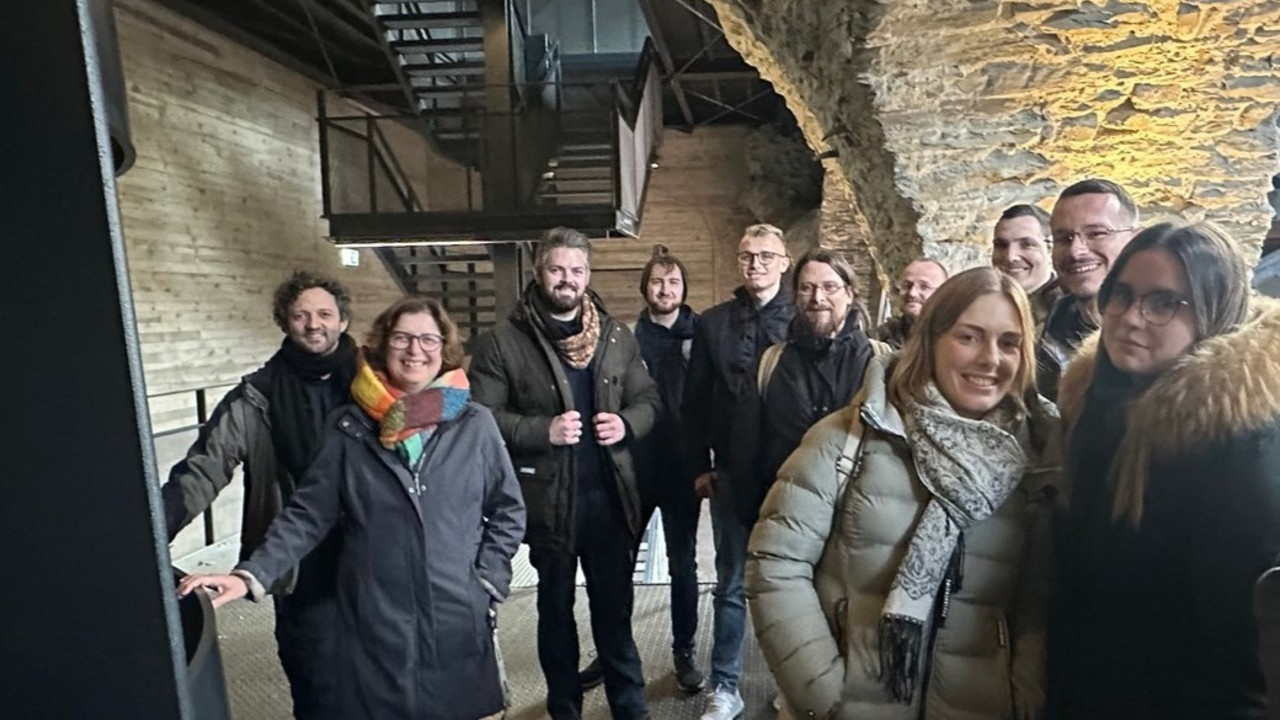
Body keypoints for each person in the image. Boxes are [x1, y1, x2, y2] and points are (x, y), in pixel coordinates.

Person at [177, 296, 526, 720]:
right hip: (376, 622)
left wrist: (488, 577)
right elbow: (307, 514)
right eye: (402, 337)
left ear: (445, 349)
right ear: (383, 345)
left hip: (457, 615)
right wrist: (252, 574)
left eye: (428, 339)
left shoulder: (475, 425)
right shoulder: (348, 428)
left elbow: (509, 510)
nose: (415, 350)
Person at [747, 267, 1059, 720]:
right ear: (931, 340)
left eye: (1008, 342)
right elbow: (776, 564)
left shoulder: (1034, 458)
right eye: (969, 337)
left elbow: (1035, 598)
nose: (991, 358)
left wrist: (1020, 693)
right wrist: (827, 697)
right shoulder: (851, 437)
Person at [1049, 222, 1280, 719]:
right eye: (1122, 296)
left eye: (1162, 303)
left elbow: (1241, 655)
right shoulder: (1098, 403)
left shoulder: (1241, 445)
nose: (1131, 318)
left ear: (1212, 311)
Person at [469, 227, 658, 720]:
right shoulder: (502, 343)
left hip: (610, 502)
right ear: (539, 272)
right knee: (555, 617)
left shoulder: (615, 336)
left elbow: (648, 400)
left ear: (587, 275)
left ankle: (630, 708)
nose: (566, 280)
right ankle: (564, 708)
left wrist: (627, 423)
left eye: (576, 270)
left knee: (614, 619)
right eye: (557, 269)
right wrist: (541, 429)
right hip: (549, 504)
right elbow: (481, 416)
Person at [161, 270, 357, 719]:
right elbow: (203, 469)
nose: (314, 324)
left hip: (373, 560)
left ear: (342, 321)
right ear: (285, 323)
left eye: (325, 314)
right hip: (297, 564)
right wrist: (152, 531)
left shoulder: (375, 385)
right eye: (301, 315)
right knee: (316, 686)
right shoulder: (256, 397)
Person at [682, 223, 795, 720]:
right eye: (748, 256)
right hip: (731, 469)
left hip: (792, 471)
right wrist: (698, 466)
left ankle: (792, 684)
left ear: (785, 262)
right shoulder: (712, 323)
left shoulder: (800, 319)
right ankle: (724, 685)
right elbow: (695, 402)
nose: (757, 264)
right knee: (729, 582)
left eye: (767, 256)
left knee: (791, 580)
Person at [750, 248, 886, 523]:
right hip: (784, 514)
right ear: (796, 296)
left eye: (829, 287)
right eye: (806, 288)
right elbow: (749, 444)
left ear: (848, 294)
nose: (817, 298)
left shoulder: (879, 362)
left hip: (856, 518)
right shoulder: (771, 362)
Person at [631, 245, 706, 693]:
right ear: (645, 288)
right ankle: (614, 647)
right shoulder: (625, 339)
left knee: (684, 564)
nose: (665, 289)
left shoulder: (702, 337)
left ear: (682, 288)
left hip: (683, 466)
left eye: (673, 281)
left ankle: (683, 650)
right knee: (619, 562)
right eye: (657, 281)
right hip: (636, 466)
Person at [1037, 178, 1141, 400]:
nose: (1076, 251)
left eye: (1096, 234)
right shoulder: (1050, 334)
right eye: (1064, 238)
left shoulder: (1165, 331)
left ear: (1135, 239)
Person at [993, 203, 1063, 331]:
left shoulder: (1069, 314)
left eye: (1027, 245)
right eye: (1001, 245)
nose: (1010, 257)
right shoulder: (982, 306)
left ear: (1051, 249)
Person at [874, 257, 948, 349]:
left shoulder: (951, 340)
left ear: (943, 293)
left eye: (924, 287)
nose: (912, 293)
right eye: (907, 286)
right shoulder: (880, 337)